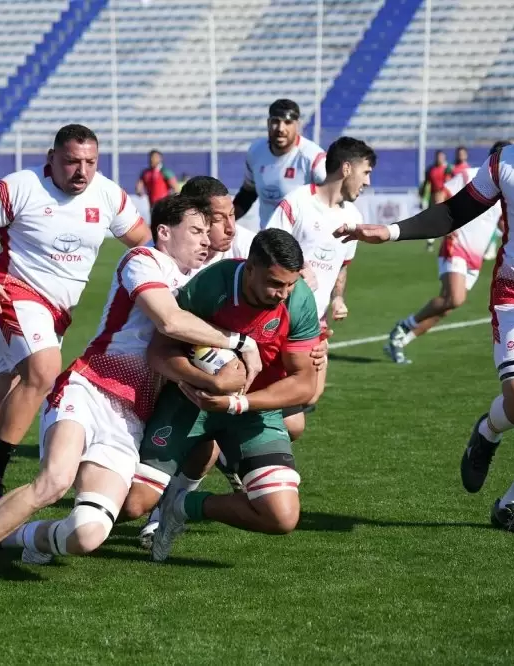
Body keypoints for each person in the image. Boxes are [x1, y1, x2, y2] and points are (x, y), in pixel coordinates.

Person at [0, 196, 265, 602]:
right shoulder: (143, 260)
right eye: (197, 231)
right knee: (54, 482)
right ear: (165, 233)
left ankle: (14, 537)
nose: (207, 240)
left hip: (131, 417)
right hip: (90, 386)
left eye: (208, 232)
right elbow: (168, 319)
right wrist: (239, 342)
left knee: (88, 533)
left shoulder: (200, 284)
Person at [335, 74, 514, 535]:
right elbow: (452, 212)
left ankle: (511, 505)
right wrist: (390, 231)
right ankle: (486, 432)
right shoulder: (509, 161)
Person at [0, 124, 154, 519]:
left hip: (56, 314)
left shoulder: (108, 195)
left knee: (7, 403)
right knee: (43, 372)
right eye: (72, 161)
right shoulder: (21, 187)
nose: (82, 171)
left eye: (90, 162)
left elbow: (145, 244)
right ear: (51, 158)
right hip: (12, 293)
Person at [128, 228, 320, 562]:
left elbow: (305, 383)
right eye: (275, 283)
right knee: (133, 504)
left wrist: (238, 402)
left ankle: (179, 506)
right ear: (249, 269)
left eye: (290, 284)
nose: (283, 293)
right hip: (190, 402)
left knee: (282, 516)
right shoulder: (211, 285)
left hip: (252, 410)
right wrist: (203, 382)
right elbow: (160, 351)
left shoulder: (299, 299)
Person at [267, 136, 372, 418]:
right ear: (347, 168)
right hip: (282, 316)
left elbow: (342, 266)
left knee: (312, 393)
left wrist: (338, 298)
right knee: (292, 401)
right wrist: (300, 266)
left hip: (317, 320)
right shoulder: (298, 202)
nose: (368, 182)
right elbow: (268, 247)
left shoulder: (353, 217)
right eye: (366, 172)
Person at [385, 141, 511, 364]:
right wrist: (445, 225)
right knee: (455, 298)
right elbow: (444, 193)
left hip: (476, 256)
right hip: (457, 246)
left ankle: (398, 342)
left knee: (446, 307)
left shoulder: (506, 190)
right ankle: (403, 326)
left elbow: (503, 224)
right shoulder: (469, 175)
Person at [233, 99, 327, 230]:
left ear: (297, 125)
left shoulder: (313, 157)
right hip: (268, 241)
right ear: (268, 123)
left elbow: (332, 197)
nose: (281, 128)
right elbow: (248, 193)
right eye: (276, 121)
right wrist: (226, 220)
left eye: (287, 122)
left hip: (303, 242)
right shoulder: (256, 152)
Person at [421, 150, 451, 251]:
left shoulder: (448, 168)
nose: (440, 159)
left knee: (447, 221)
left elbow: (450, 182)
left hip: (446, 196)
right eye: (438, 157)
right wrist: (423, 196)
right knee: (432, 220)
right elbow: (426, 184)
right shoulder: (431, 169)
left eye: (442, 157)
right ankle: (430, 243)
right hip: (433, 197)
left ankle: (448, 243)